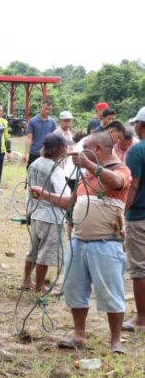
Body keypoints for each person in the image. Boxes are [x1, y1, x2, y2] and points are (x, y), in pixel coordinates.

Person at [31, 131, 131, 354]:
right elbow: (70, 202)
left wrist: (89, 164)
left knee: (111, 292)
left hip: (106, 243)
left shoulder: (119, 170)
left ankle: (115, 340)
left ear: (96, 150)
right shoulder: (85, 176)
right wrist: (45, 194)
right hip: (78, 241)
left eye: (85, 150)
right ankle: (79, 334)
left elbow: (117, 182)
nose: (79, 155)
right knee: (76, 289)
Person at [21, 133, 70, 292]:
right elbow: (65, 199)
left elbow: (28, 190)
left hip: (36, 214)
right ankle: (39, 286)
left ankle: (26, 281)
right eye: (64, 147)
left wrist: (28, 211)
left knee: (33, 251)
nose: (66, 150)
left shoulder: (34, 164)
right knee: (45, 253)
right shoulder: (55, 169)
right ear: (57, 150)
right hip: (51, 217)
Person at [124, 106, 145, 332]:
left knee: (139, 269)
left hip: (139, 215)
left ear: (140, 125)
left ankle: (142, 318)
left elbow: (133, 185)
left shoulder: (137, 151)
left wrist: (121, 211)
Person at [23, 99, 56, 168]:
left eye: (49, 109)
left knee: (46, 175)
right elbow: (29, 138)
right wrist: (26, 154)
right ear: (41, 107)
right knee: (31, 173)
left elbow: (54, 139)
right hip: (34, 153)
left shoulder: (53, 122)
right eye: (45, 108)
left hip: (47, 154)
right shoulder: (32, 121)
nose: (47, 111)